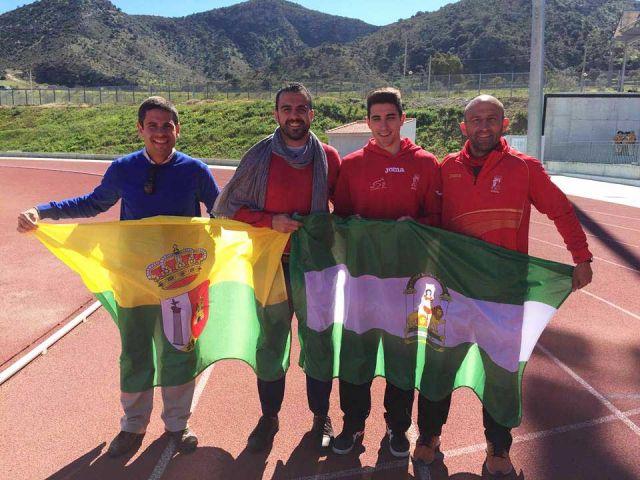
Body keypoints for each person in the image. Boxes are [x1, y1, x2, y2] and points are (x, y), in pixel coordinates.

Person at [17, 96, 220, 457]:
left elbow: (221, 210)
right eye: (153, 126)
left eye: (167, 126)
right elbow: (94, 203)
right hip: (134, 279)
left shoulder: (195, 171)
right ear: (140, 129)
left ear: (178, 130)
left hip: (180, 280)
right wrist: (42, 211)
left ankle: (177, 424)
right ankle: (132, 426)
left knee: (180, 350)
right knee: (135, 353)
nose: (160, 133)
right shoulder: (123, 169)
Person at [413, 94, 593, 476]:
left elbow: (560, 209)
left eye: (491, 119)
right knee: (436, 369)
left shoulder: (525, 169)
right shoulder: (446, 168)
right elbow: (431, 220)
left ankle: (498, 447)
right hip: (452, 294)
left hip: (504, 296)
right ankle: (428, 437)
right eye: (475, 120)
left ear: (504, 124)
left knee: (501, 374)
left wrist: (582, 256)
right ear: (463, 127)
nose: (483, 127)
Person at [213, 82, 341, 451]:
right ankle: (269, 417)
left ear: (312, 114)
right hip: (270, 265)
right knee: (270, 341)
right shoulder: (258, 157)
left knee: (318, 340)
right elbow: (228, 207)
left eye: (301, 108)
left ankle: (320, 416)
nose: (294, 115)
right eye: (287, 108)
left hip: (315, 267)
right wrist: (270, 221)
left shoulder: (328, 158)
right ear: (276, 114)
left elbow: (346, 210)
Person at [331, 87, 441, 457]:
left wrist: (416, 223)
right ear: (368, 122)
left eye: (390, 117)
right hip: (362, 282)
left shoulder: (426, 163)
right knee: (356, 352)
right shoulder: (353, 165)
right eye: (376, 118)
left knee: (402, 354)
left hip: (408, 283)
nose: (383, 125)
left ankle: (397, 427)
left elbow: (435, 220)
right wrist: (353, 224)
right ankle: (353, 424)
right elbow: (341, 219)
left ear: (402, 119)